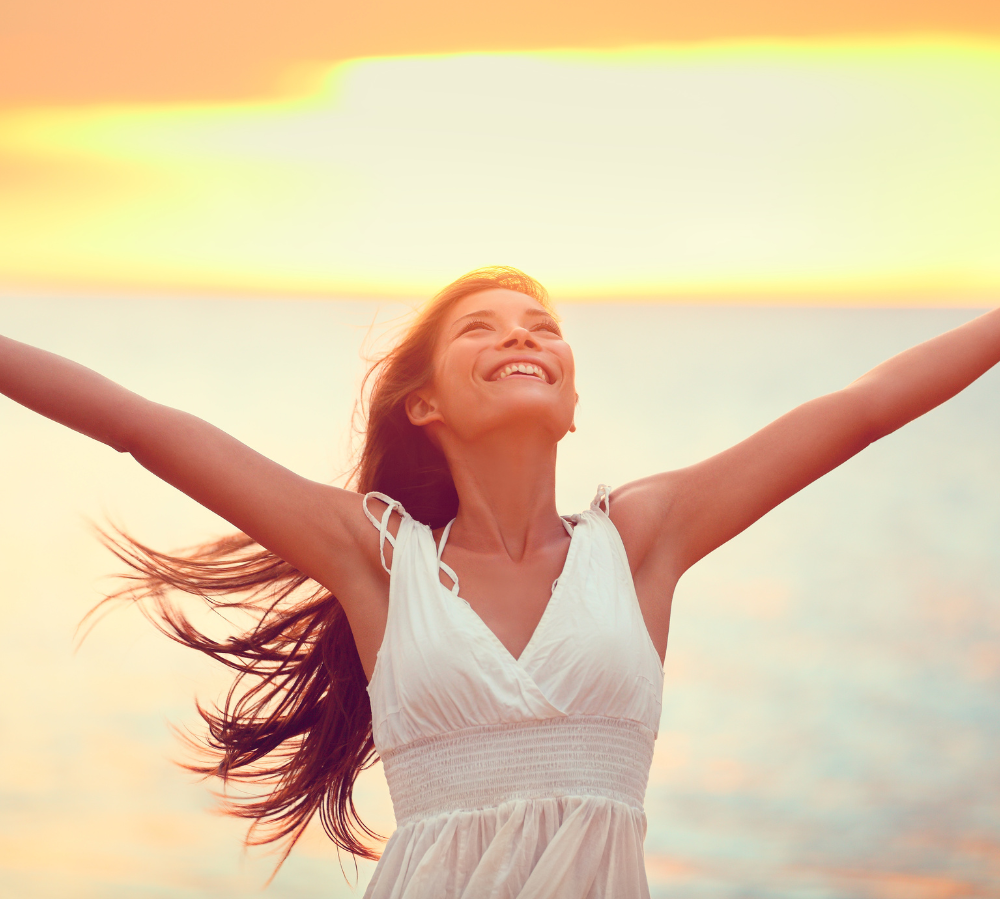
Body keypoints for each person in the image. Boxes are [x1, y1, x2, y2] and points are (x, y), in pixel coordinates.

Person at [1, 265, 998, 898]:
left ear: (571, 400)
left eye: (542, 325)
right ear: (424, 403)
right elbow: (141, 426)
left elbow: (865, 407)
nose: (521, 335)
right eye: (480, 327)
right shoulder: (377, 557)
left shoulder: (642, 538)